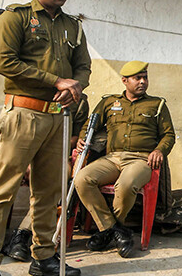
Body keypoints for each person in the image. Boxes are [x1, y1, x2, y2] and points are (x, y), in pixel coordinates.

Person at [0, 0, 91, 276]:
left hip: (57, 119)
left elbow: (83, 67)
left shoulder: (73, 26)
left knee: (48, 193)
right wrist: (57, 81)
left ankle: (43, 258)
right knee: (1, 190)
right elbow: (7, 63)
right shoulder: (15, 18)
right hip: (22, 115)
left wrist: (75, 86)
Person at [73, 60, 175, 258]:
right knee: (82, 179)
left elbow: (168, 135)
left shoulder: (157, 104)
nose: (143, 82)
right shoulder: (109, 102)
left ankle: (108, 230)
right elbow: (90, 125)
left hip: (141, 160)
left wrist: (159, 151)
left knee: (126, 185)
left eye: (145, 78)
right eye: (137, 78)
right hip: (112, 158)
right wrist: (83, 139)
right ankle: (115, 230)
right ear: (124, 81)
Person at [2, 95, 90, 262]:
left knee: (60, 175)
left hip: (56, 154)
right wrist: (28, 161)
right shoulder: (32, 92)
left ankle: (23, 235)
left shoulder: (80, 102)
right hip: (25, 151)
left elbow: (75, 136)